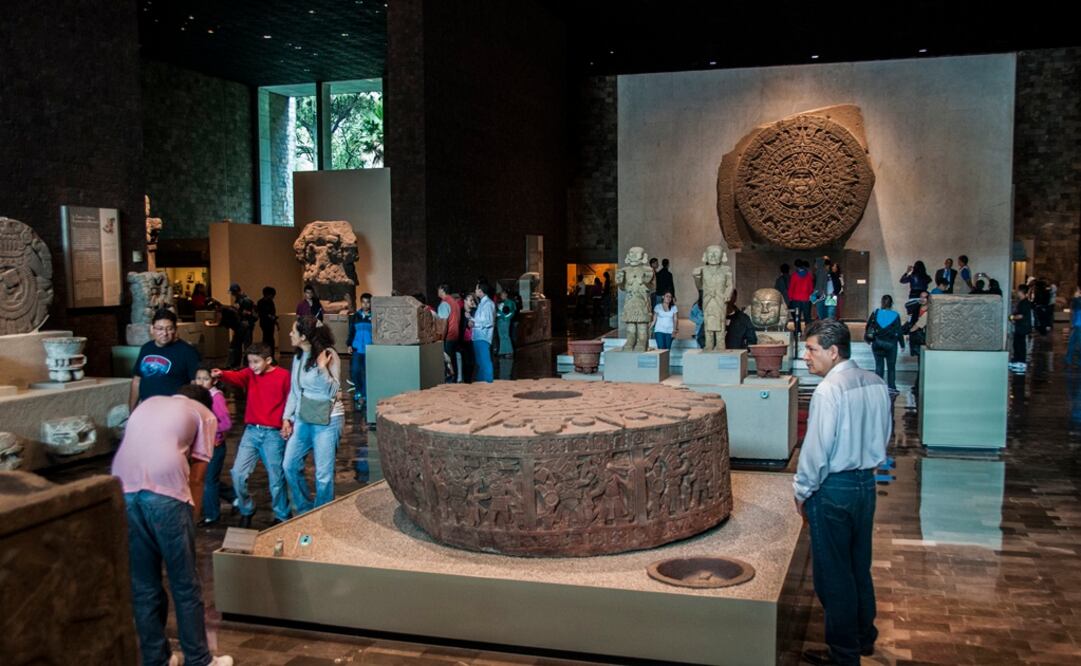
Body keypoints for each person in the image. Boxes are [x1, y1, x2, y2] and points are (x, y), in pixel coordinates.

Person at [111, 384, 234, 666]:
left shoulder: (149, 402)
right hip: (166, 492)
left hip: (123, 489)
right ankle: (199, 659)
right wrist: (192, 516)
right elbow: (199, 476)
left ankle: (157, 659)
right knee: (185, 583)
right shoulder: (204, 413)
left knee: (143, 584)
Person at [795, 319, 891, 666]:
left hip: (833, 489)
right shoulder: (876, 383)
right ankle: (864, 638)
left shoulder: (829, 390)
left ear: (833, 352)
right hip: (866, 484)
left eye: (812, 349)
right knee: (857, 565)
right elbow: (884, 436)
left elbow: (817, 450)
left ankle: (844, 655)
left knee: (833, 575)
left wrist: (802, 491)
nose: (806, 356)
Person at [214, 342, 292, 527]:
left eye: (256, 362)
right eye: (250, 362)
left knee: (276, 477)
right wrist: (222, 374)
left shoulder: (283, 376)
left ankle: (282, 515)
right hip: (251, 432)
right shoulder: (249, 374)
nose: (252, 366)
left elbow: (291, 399)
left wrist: (289, 421)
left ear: (268, 360)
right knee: (238, 474)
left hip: (273, 434)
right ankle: (246, 508)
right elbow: (237, 376)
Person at [282, 317, 345, 516]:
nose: (290, 334)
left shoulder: (329, 354)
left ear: (304, 336)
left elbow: (334, 391)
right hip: (303, 417)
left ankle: (321, 515)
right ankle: (304, 510)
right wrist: (287, 417)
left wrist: (322, 369)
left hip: (328, 419)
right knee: (289, 465)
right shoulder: (299, 355)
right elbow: (295, 390)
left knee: (323, 476)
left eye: (294, 331)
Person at [130, 308, 201, 411]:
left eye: (169, 328)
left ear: (175, 329)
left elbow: (195, 384)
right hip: (146, 409)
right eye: (160, 328)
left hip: (174, 411)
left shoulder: (187, 351)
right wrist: (132, 411)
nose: (165, 333)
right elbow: (137, 380)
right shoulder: (146, 348)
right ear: (152, 329)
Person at [193, 364, 233, 527]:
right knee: (208, 478)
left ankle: (212, 515)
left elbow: (226, 423)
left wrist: (209, 429)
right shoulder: (198, 396)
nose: (201, 382)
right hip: (201, 445)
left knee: (209, 480)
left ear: (214, 381)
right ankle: (235, 498)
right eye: (198, 378)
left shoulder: (216, 397)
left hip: (214, 445)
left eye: (205, 379)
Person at [866, 295, 905, 391]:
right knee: (891, 367)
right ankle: (891, 387)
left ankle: (878, 387)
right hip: (891, 345)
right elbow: (899, 331)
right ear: (891, 303)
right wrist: (902, 345)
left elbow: (868, 327)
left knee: (879, 366)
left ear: (882, 302)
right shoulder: (895, 315)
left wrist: (868, 339)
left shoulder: (876, 313)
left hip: (877, 343)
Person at [348, 292, 373, 408]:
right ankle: (358, 391)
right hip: (357, 348)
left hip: (370, 349)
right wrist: (349, 344)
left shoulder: (374, 316)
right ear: (361, 302)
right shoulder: (355, 317)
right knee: (355, 371)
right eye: (363, 302)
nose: (366, 304)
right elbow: (351, 332)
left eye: (368, 302)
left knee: (368, 373)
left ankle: (366, 394)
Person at [470, 282, 496, 382]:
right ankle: (482, 382)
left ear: (481, 291)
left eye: (476, 289)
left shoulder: (488, 304)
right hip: (478, 336)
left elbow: (488, 321)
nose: (475, 291)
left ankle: (488, 382)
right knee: (480, 362)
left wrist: (474, 322)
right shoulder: (482, 303)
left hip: (483, 336)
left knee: (485, 362)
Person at [436, 283, 462, 382]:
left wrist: (440, 338)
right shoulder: (455, 303)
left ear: (442, 289)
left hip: (448, 336)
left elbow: (443, 323)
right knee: (453, 360)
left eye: (438, 289)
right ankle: (454, 380)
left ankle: (449, 382)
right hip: (455, 335)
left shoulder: (444, 304)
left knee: (447, 361)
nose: (437, 291)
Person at [1010, 284, 1035, 373]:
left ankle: (1020, 361)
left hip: (1022, 327)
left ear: (1021, 292)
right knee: (1018, 343)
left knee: (1019, 344)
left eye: (1018, 291)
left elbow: (1021, 315)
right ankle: (1018, 360)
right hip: (1022, 327)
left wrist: (1012, 317)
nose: (1017, 293)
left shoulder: (1024, 303)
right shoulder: (1024, 302)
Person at [788, 259, 814, 335]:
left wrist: (790, 298)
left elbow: (791, 288)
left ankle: (798, 331)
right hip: (806, 299)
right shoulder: (808, 275)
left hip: (796, 299)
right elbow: (811, 288)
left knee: (797, 316)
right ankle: (809, 332)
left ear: (796, 266)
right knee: (807, 317)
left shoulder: (794, 276)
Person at [256, 286, 278, 356]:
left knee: (270, 340)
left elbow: (273, 312)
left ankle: (271, 356)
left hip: (270, 323)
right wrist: (270, 317)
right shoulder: (261, 302)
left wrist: (275, 321)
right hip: (265, 323)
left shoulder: (271, 302)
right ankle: (267, 355)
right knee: (267, 340)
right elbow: (262, 313)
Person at [460, 293, 476, 383]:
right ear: (465, 301)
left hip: (472, 339)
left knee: (471, 361)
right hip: (464, 340)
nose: (472, 302)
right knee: (465, 361)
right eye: (470, 300)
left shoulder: (475, 311)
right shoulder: (461, 311)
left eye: (473, 300)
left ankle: (469, 379)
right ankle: (465, 380)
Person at [1066, 286, 1081, 368]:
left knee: (1073, 343)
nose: (1080, 291)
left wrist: (1071, 323)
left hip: (1077, 324)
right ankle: (1071, 360)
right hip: (1078, 324)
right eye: (1078, 290)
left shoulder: (1075, 300)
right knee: (1075, 343)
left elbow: (1072, 313)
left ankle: (1069, 359)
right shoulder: (1076, 300)